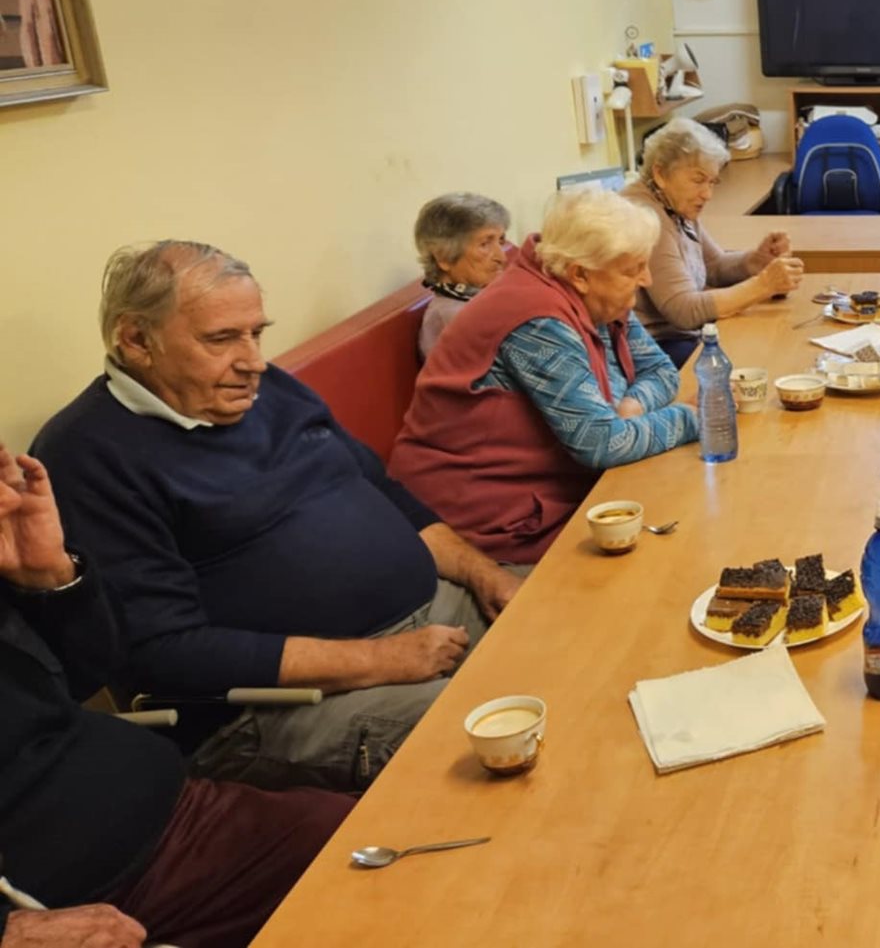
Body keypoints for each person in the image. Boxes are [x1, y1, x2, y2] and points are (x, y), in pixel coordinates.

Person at [32, 241, 524, 791]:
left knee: (571, 627)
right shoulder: (87, 456)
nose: (253, 362)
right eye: (221, 339)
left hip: (431, 615)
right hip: (280, 705)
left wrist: (486, 574)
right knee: (507, 735)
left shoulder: (270, 391)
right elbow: (164, 653)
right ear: (136, 340)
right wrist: (380, 659)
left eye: (256, 333)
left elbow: (382, 490)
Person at [0, 439, 353, 948]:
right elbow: (168, 656)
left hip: (185, 814)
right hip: (80, 899)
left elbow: (86, 673)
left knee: (381, 846)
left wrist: (50, 578)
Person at [390, 187, 699, 563]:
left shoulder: (593, 285)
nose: (647, 279)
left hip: (559, 492)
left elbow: (660, 370)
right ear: (580, 274)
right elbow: (601, 443)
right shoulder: (536, 320)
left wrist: (631, 407)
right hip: (486, 520)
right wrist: (692, 417)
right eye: (633, 269)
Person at [628, 118, 806, 366]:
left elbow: (714, 265)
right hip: (655, 349)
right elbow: (684, 311)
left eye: (712, 182)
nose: (708, 194)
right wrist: (763, 284)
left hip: (680, 338)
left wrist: (755, 261)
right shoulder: (644, 216)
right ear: (660, 174)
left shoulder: (674, 205)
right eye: (698, 180)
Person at [413, 191, 510, 358]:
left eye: (501, 241)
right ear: (444, 257)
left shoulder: (474, 299)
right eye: (484, 244)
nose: (502, 257)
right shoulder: (454, 319)